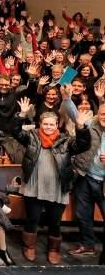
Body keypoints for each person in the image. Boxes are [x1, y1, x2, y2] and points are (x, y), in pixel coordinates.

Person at [14, 97, 91, 264]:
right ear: (40, 124)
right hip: (33, 185)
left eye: (52, 124)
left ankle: (54, 249)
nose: (48, 127)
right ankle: (29, 246)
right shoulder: (32, 137)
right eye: (45, 124)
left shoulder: (66, 140)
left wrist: (80, 127)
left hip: (57, 187)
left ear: (57, 125)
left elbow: (83, 145)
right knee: (32, 219)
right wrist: (21, 115)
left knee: (54, 222)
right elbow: (16, 132)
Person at [69, 104, 105, 260]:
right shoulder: (91, 124)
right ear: (97, 114)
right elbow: (72, 112)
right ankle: (88, 245)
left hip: (103, 182)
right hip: (85, 176)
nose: (104, 117)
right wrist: (67, 98)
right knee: (83, 214)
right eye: (103, 114)